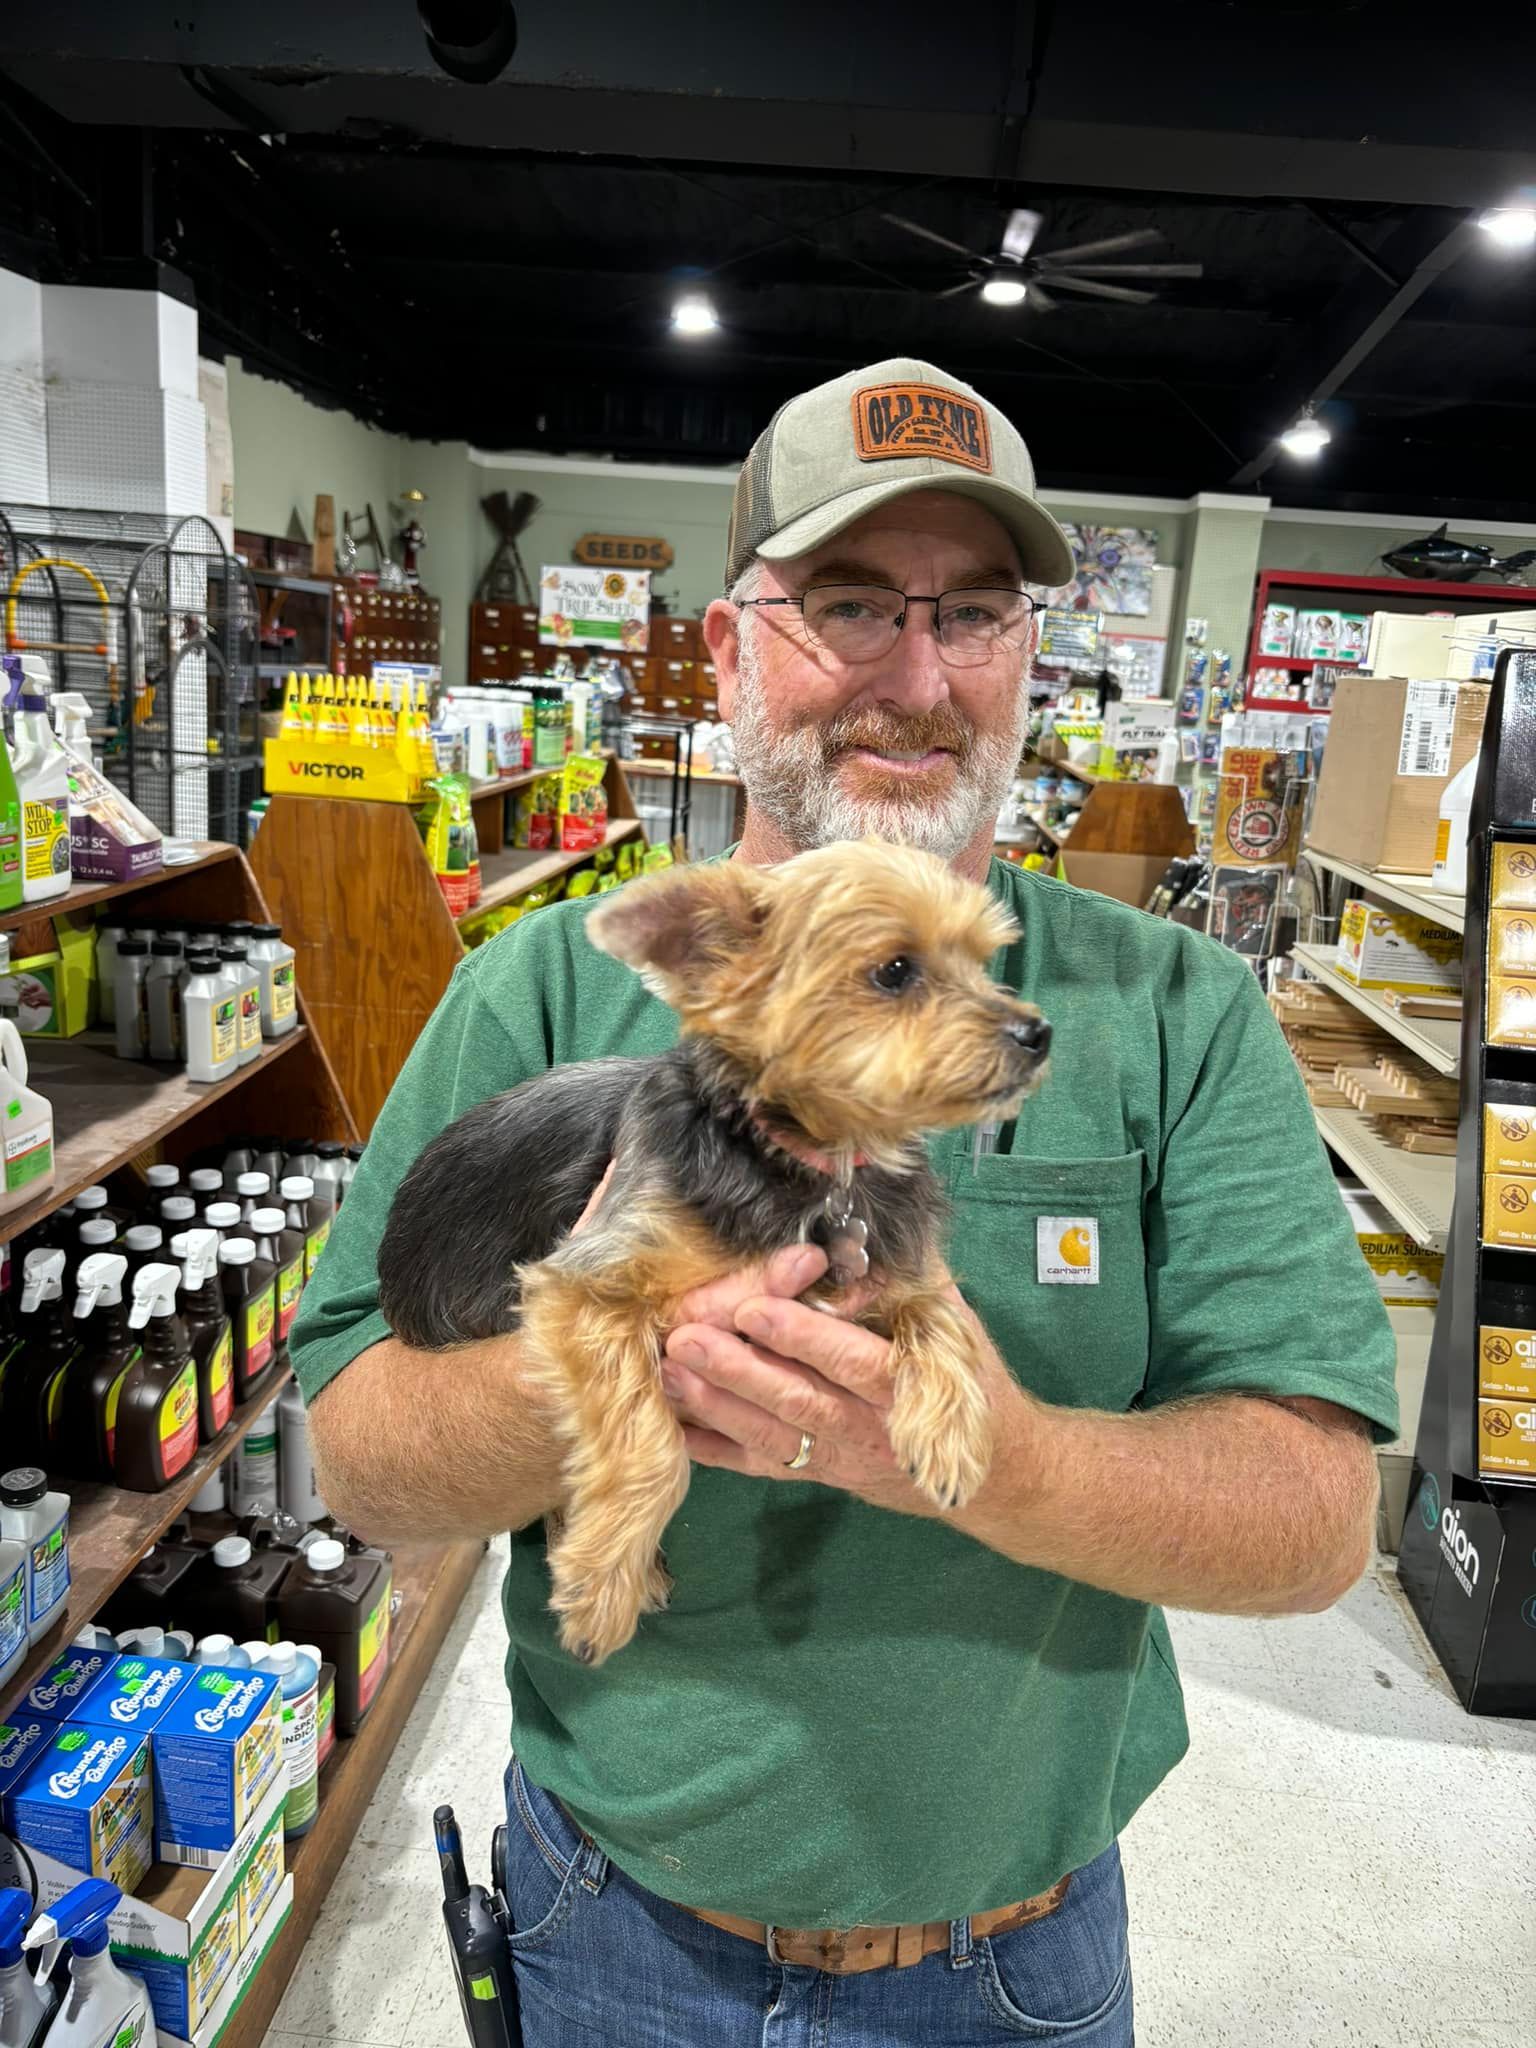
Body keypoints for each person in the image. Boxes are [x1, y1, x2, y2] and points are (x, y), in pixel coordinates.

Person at [293, 357, 1397, 2046]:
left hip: (1017, 1947)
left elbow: (1318, 1524)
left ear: (1035, 649)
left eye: (976, 613)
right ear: (729, 646)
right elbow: (359, 1461)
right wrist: (621, 1352)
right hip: (616, 1918)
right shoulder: (537, 996)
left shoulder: (1177, 1006)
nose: (916, 673)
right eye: (850, 605)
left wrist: (978, 1455)